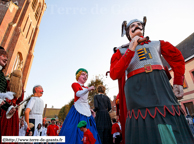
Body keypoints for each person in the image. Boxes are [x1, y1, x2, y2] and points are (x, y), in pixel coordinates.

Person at [110, 17, 194, 143]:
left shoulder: (158, 43)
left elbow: (177, 58)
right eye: (132, 26)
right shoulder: (121, 51)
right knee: (142, 119)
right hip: (136, 88)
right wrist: (130, 50)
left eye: (139, 24)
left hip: (160, 83)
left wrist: (178, 82)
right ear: (128, 33)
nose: (137, 26)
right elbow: (114, 73)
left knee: (168, 113)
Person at [59, 68, 101, 144]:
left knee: (90, 130)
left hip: (86, 110)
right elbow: (78, 93)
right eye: (83, 74)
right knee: (72, 130)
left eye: (86, 75)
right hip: (77, 110)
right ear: (78, 76)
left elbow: (85, 101)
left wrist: (89, 109)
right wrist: (88, 89)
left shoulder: (86, 88)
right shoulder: (75, 84)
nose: (85, 76)